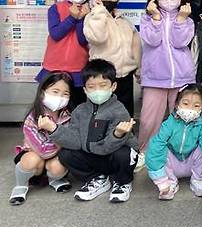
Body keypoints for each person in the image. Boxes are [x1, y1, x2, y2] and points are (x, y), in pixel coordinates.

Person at [42, 59, 138, 203]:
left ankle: (122, 182)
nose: (97, 90)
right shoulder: (79, 111)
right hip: (93, 157)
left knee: (124, 153)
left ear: (113, 86)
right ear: (85, 89)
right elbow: (75, 142)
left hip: (112, 156)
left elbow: (107, 147)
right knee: (66, 154)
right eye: (91, 87)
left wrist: (117, 134)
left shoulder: (119, 111)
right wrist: (54, 129)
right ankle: (97, 179)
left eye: (103, 85)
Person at [138, 0, 195, 158]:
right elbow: (152, 40)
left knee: (183, 117)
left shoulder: (187, 20)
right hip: (155, 78)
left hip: (182, 77)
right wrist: (155, 18)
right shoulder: (147, 18)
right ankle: (145, 152)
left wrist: (180, 19)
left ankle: (180, 153)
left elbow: (180, 42)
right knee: (148, 120)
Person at [146, 84, 202, 200]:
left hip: (191, 163)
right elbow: (155, 147)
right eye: (185, 104)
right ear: (177, 104)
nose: (190, 109)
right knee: (161, 147)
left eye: (196, 106)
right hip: (172, 165)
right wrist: (160, 180)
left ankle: (198, 180)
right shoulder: (169, 123)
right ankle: (170, 182)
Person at [9, 72, 73, 205]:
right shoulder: (32, 118)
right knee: (32, 159)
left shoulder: (68, 116)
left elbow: (73, 141)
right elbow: (44, 151)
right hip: (36, 155)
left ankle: (54, 179)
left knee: (59, 166)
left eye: (65, 94)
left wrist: (60, 137)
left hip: (54, 157)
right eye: (55, 91)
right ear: (43, 92)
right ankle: (21, 185)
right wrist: (58, 135)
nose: (60, 97)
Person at [83, 0, 141, 115]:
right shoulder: (92, 18)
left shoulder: (124, 22)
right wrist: (99, 12)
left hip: (125, 77)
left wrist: (138, 68)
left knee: (125, 114)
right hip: (103, 77)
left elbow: (135, 46)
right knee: (102, 115)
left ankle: (125, 136)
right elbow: (98, 38)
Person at [37, 0, 93, 108]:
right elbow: (56, 34)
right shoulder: (55, 9)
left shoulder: (91, 10)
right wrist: (72, 18)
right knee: (51, 107)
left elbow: (83, 40)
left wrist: (81, 19)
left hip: (78, 69)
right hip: (53, 67)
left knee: (76, 108)